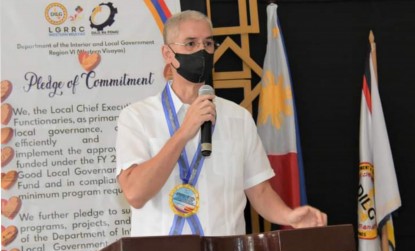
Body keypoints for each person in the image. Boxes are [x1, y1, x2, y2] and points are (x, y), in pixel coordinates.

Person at [116, 10, 327, 237]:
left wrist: (289, 217)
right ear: (168, 53)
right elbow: (135, 194)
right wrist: (184, 131)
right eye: (190, 43)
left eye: (208, 43)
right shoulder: (137, 116)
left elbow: (260, 190)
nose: (202, 51)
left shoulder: (238, 118)